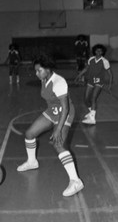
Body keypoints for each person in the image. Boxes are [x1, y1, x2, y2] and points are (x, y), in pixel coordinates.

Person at [17, 54, 84, 197]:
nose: (36, 74)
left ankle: (75, 181)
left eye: (39, 70)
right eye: (35, 71)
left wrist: (58, 129)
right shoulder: (44, 79)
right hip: (52, 111)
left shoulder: (59, 82)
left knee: (58, 144)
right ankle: (32, 161)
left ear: (48, 69)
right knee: (29, 134)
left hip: (65, 113)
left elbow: (65, 108)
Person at [75, 44, 113, 125]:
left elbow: (110, 74)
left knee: (93, 98)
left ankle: (92, 118)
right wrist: (79, 75)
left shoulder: (105, 61)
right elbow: (86, 68)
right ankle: (92, 112)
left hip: (99, 82)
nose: (98, 52)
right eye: (97, 50)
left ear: (103, 52)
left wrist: (110, 85)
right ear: (94, 51)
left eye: (100, 51)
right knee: (86, 99)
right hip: (91, 81)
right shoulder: (91, 59)